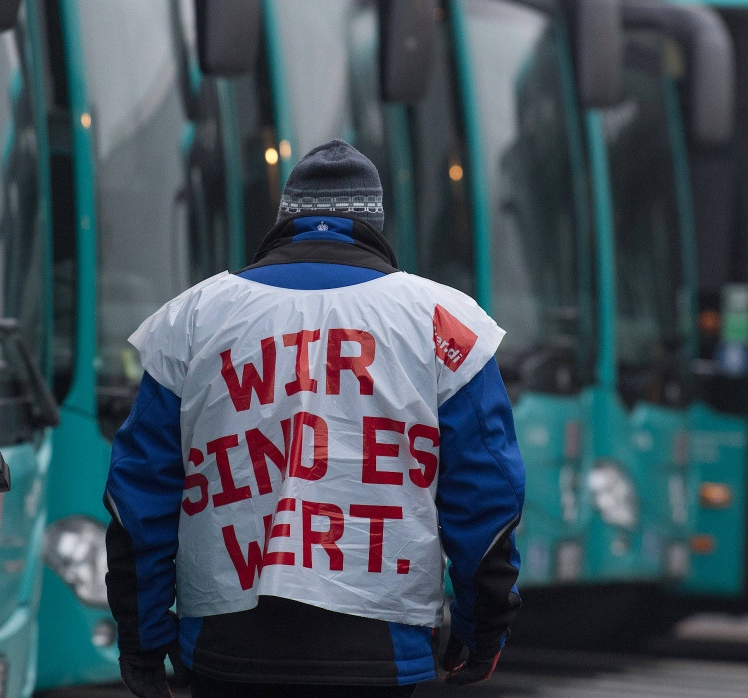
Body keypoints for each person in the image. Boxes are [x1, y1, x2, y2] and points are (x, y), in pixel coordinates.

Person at [104, 140, 525, 697]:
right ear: (374, 222)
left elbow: (140, 498)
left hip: (227, 647)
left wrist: (142, 636)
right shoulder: (444, 323)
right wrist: (482, 627)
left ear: (286, 219)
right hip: (380, 648)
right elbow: (487, 497)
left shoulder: (193, 317)